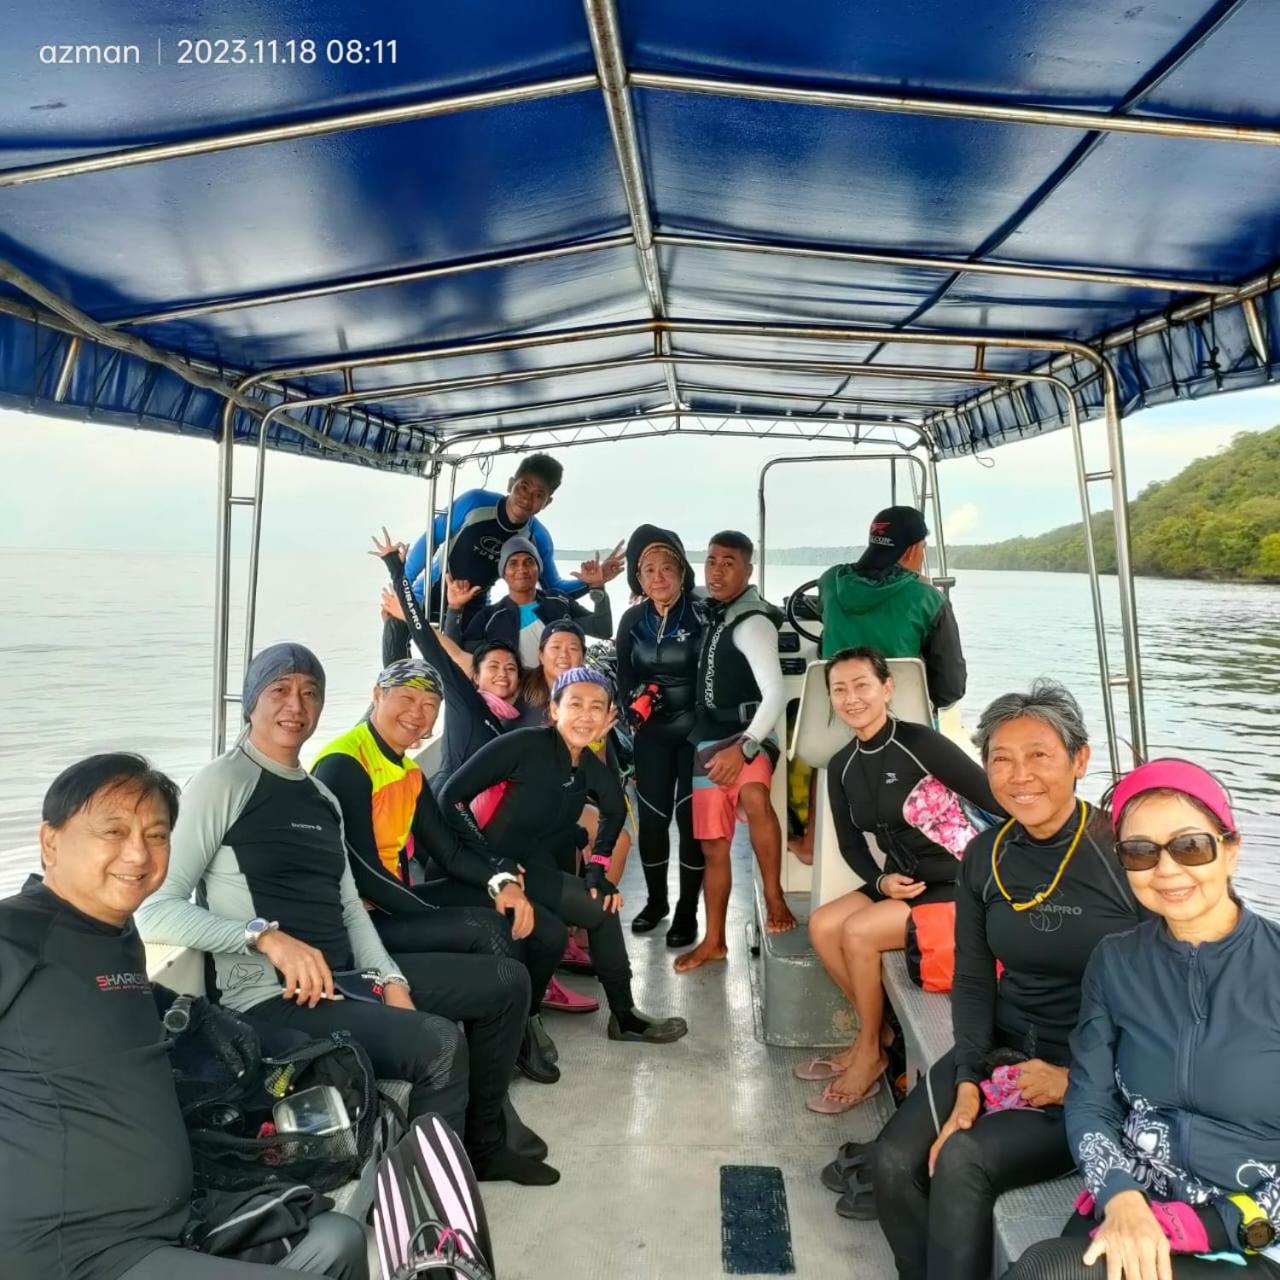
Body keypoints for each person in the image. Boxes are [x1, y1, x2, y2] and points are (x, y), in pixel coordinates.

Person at [136, 643, 557, 1187]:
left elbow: (350, 912)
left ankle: (483, 1146)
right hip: (270, 999)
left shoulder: (319, 797)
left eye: (310, 692)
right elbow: (155, 909)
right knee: (439, 1044)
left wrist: (390, 977)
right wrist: (262, 937)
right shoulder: (223, 783)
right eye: (279, 690)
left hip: (345, 981)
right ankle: (425, 1208)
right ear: (251, 702)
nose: (297, 704)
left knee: (506, 981)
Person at [0, 752, 367, 1280]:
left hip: (177, 1215)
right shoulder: (17, 932)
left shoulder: (115, 932)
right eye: (114, 830)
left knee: (337, 1238)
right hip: (80, 1251)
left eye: (156, 835)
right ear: (50, 841)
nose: (138, 853)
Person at [873, 680, 1146, 1280]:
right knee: (890, 1164)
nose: (1019, 775)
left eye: (1039, 755)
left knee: (962, 1159)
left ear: (1080, 760)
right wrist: (969, 1077)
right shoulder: (986, 854)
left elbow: (1168, 1005)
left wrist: (1078, 1079)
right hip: (999, 1049)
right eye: (1001, 759)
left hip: (1091, 1080)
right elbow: (973, 980)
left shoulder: (1126, 859)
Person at [1006, 759, 1280, 1280]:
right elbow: (1089, 1099)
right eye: (1140, 852)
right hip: (1133, 1202)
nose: (1167, 870)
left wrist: (1201, 1227)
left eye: (1190, 846)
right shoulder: (1116, 960)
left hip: (1251, 1233)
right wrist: (1120, 1196)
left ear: (1231, 850)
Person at [310, 656, 568, 1085]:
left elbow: (447, 851)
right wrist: (432, 915)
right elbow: (362, 871)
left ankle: (513, 1032)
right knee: (485, 928)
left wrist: (499, 881)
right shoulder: (345, 764)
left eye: (431, 704)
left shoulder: (407, 771)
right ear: (377, 696)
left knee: (512, 917)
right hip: (354, 920)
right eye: (406, 698)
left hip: (389, 900)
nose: (418, 712)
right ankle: (503, 1043)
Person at [801, 647, 1003, 1114]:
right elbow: (853, 847)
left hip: (956, 882)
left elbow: (995, 797)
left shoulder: (920, 743)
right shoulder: (841, 766)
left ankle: (868, 1053)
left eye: (862, 686)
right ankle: (878, 1034)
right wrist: (880, 882)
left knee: (857, 932)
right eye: (840, 689)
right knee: (822, 926)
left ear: (886, 689)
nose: (852, 698)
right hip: (905, 882)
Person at [440, 667, 689, 1045]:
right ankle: (527, 1017)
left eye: (596, 707)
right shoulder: (523, 745)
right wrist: (490, 862)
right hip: (477, 872)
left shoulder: (588, 767)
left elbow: (615, 810)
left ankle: (623, 1016)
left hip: (528, 871)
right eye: (575, 704)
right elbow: (450, 797)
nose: (585, 715)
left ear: (609, 718)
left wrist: (597, 868)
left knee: (601, 903)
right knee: (552, 936)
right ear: (554, 710)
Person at [675, 531, 797, 975]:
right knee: (712, 845)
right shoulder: (714, 611)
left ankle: (773, 894)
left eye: (729, 562)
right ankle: (714, 941)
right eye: (711, 561)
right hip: (709, 740)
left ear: (748, 570)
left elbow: (775, 694)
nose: (717, 570)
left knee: (752, 798)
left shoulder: (752, 623)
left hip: (752, 736)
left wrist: (745, 749)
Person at [385, 451, 622, 653]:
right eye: (523, 487)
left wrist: (594, 582)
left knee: (464, 677)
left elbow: (551, 588)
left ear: (547, 502)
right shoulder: (475, 503)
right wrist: (401, 586)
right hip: (426, 593)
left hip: (472, 611)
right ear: (511, 484)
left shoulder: (537, 537)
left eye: (539, 495)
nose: (527, 498)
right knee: (394, 651)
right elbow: (431, 540)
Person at [613, 523, 704, 946]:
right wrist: (637, 702)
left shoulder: (703, 614)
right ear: (638, 578)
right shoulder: (633, 619)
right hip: (650, 734)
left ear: (684, 572)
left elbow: (716, 676)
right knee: (652, 821)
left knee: (690, 824)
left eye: (668, 567)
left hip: (693, 734)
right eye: (648, 570)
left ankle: (687, 911)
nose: (658, 577)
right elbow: (623, 676)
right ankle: (656, 902)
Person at [817, 505, 966, 709]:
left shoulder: (830, 582)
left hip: (838, 717)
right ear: (913, 549)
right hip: (906, 724)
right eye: (923, 548)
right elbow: (950, 689)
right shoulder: (929, 599)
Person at [445, 534, 615, 665]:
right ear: (503, 572)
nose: (522, 569)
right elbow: (455, 655)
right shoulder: (489, 617)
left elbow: (602, 629)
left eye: (528, 562)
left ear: (538, 568)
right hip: (512, 702)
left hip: (560, 696)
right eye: (513, 563)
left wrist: (597, 587)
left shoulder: (558, 600)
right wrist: (455, 608)